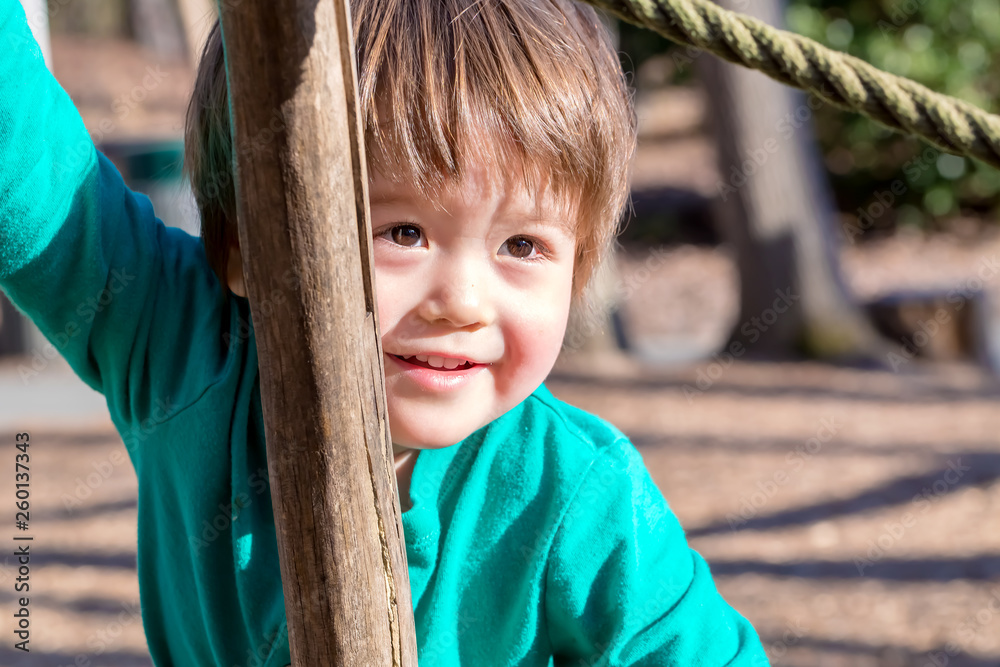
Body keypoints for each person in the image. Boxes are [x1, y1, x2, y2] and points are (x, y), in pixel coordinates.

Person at [0, 0, 769, 664]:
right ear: (240, 246)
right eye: (402, 231)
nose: (462, 301)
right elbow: (23, 154)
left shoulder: (577, 489)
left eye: (523, 246)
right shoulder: (176, 348)